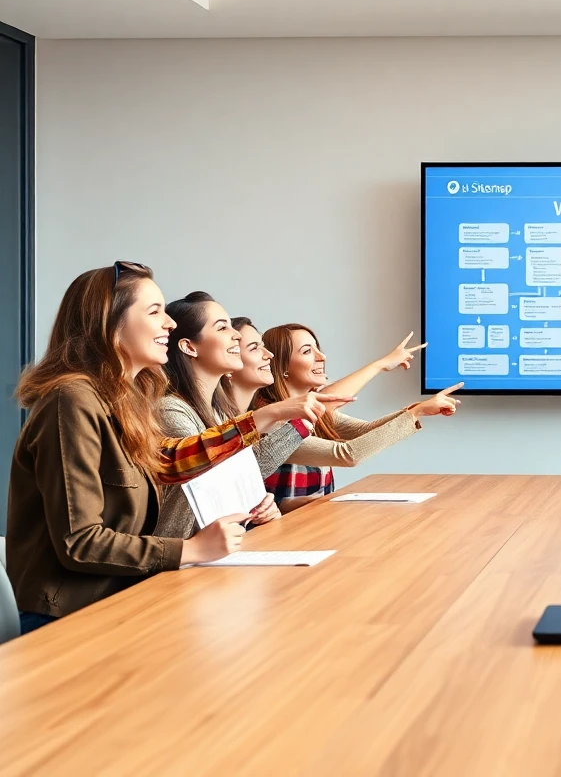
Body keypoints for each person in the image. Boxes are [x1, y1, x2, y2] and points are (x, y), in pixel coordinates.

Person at [5, 263, 333, 634]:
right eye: (154, 311)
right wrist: (191, 550)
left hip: (118, 602)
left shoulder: (127, 402)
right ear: (110, 326)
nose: (170, 323)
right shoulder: (72, 401)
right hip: (67, 617)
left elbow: (172, 461)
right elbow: (80, 543)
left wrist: (261, 420)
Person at [153, 293, 352, 540]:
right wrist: (287, 415)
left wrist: (261, 505)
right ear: (189, 347)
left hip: (223, 552)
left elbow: (242, 475)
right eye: (222, 327)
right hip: (183, 560)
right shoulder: (170, 410)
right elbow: (209, 480)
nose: (236, 335)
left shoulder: (219, 412)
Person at [254, 323, 464, 509]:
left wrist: (418, 410)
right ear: (283, 368)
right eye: (308, 351)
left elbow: (365, 431)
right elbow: (347, 453)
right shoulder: (275, 421)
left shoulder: (312, 413)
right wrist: (414, 410)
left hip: (307, 523)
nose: (322, 357)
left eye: (318, 348)